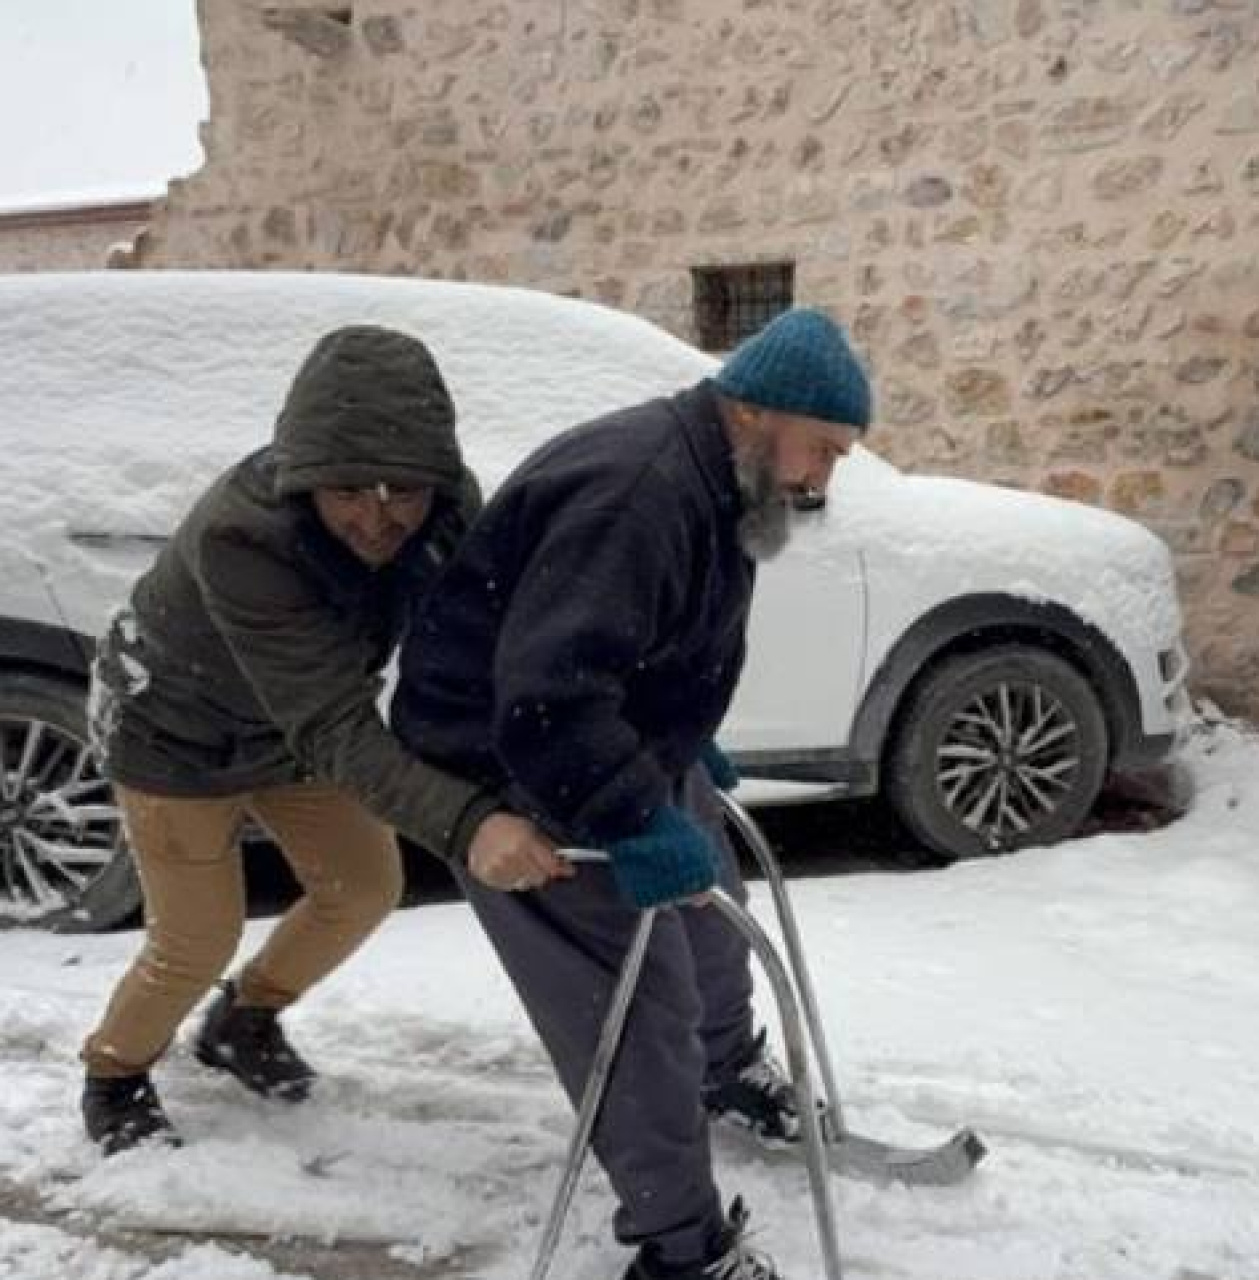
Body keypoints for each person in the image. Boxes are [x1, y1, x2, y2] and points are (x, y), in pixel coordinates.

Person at [391, 308, 872, 1280]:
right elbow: (545, 700)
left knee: (711, 918)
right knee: (634, 1004)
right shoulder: (639, 491)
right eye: (821, 449)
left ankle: (728, 1072)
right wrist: (633, 808)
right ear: (752, 411)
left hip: (601, 742)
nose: (822, 479)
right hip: (516, 768)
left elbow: (637, 641)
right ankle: (679, 1246)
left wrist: (686, 742)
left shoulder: (710, 473)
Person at [81, 325, 557, 1156]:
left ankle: (245, 1018)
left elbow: (485, 635)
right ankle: (114, 1072)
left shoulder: (446, 506)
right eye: (348, 490)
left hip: (292, 721)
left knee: (364, 886)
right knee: (196, 937)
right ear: (305, 479)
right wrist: (469, 821)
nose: (379, 519)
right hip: (175, 729)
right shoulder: (243, 537)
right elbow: (337, 725)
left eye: (401, 490)